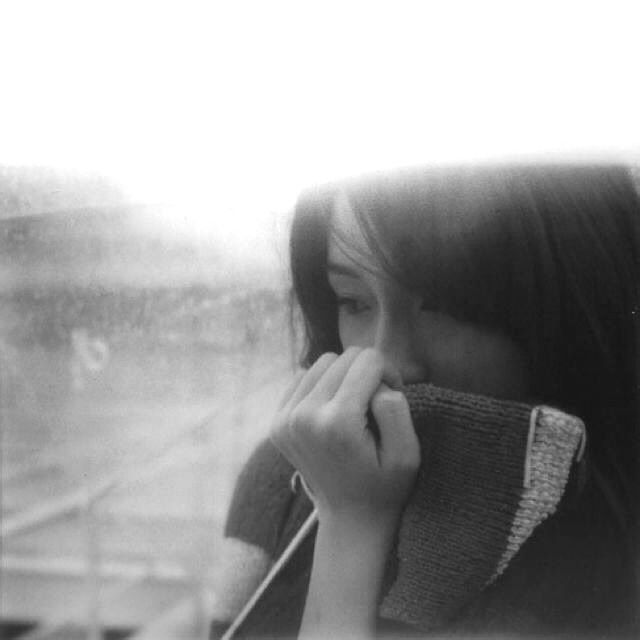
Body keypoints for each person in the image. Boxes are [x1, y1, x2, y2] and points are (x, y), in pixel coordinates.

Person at [212, 163, 640, 639]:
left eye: (444, 303)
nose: (387, 358)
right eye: (353, 301)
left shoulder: (607, 560)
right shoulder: (290, 472)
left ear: (569, 301)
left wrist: (351, 524)